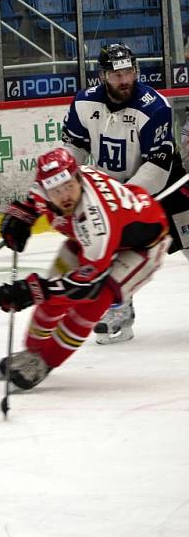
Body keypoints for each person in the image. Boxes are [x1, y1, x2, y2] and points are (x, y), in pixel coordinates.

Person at [0, 148, 171, 391]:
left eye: (68, 186)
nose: (64, 195)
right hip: (94, 238)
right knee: (52, 294)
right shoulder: (49, 187)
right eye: (55, 191)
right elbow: (32, 203)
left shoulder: (96, 220)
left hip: (143, 247)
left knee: (95, 300)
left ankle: (45, 362)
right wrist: (22, 216)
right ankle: (32, 353)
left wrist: (33, 290)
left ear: (78, 178)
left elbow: (85, 285)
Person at [62, 42, 189, 344]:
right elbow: (74, 148)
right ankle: (120, 313)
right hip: (114, 191)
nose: (124, 80)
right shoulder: (83, 103)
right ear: (103, 75)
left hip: (168, 189)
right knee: (111, 254)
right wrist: (62, 182)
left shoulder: (154, 106)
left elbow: (157, 166)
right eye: (117, 74)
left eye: (129, 72)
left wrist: (124, 200)